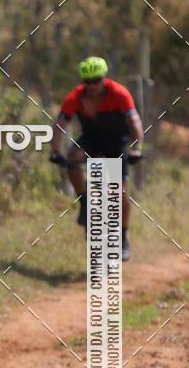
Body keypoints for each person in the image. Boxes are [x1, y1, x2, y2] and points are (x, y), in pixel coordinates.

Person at [49, 56, 144, 261]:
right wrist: (55, 150)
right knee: (73, 156)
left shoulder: (119, 93)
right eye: (88, 82)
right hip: (91, 139)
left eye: (96, 81)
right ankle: (84, 200)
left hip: (116, 141)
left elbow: (134, 120)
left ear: (104, 78)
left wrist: (137, 148)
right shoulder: (76, 96)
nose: (92, 86)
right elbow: (60, 123)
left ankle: (123, 237)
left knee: (119, 192)